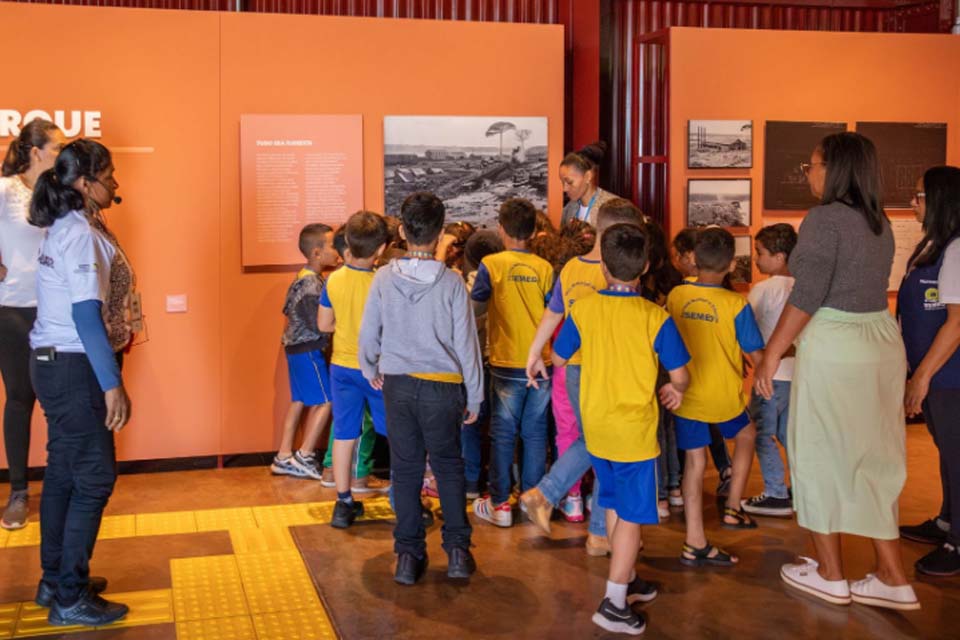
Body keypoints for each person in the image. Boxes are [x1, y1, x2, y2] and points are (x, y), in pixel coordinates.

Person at [755, 132, 919, 610]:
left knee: (817, 452)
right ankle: (892, 576)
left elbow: (807, 295)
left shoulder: (825, 219)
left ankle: (830, 572)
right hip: (881, 342)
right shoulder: (879, 221)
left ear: (834, 168)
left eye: (812, 164)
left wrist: (770, 354)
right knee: (876, 458)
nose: (808, 173)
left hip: (837, 344)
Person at [544, 223, 690, 635]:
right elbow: (680, 374)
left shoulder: (584, 308)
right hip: (634, 435)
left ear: (603, 266)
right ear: (645, 266)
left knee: (610, 502)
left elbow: (558, 357)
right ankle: (612, 603)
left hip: (598, 427)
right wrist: (675, 390)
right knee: (631, 515)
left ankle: (625, 580)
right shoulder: (654, 317)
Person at [27, 139, 131, 626]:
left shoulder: (65, 227)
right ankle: (71, 596)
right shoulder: (79, 234)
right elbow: (86, 313)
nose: (115, 184)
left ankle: (56, 580)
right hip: (75, 365)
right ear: (86, 183)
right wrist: (111, 382)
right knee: (93, 478)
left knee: (66, 475)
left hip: (52, 361)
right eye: (108, 175)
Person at [359, 191, 483, 585]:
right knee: (448, 467)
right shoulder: (451, 283)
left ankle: (409, 557)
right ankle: (458, 552)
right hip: (443, 388)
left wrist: (369, 367)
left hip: (396, 385)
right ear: (440, 232)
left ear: (400, 230)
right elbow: (467, 345)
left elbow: (368, 332)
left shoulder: (382, 278)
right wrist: (475, 393)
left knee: (406, 469)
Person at [521, 198, 643, 555]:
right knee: (604, 443)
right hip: (607, 368)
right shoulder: (618, 270)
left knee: (596, 441)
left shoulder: (573, 267)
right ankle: (556, 500)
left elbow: (552, 313)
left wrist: (534, 352)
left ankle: (593, 528)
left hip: (574, 367)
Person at [666, 227, 764, 568]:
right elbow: (756, 355)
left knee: (694, 464)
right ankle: (734, 507)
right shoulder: (737, 304)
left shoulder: (676, 295)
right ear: (731, 265)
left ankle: (695, 540)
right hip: (723, 397)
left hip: (687, 395)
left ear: (693, 259)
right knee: (747, 435)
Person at [471, 198, 553, 528]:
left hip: (505, 362)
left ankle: (501, 504)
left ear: (501, 229)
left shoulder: (491, 265)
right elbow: (553, 311)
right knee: (535, 435)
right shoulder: (545, 268)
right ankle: (532, 500)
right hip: (541, 362)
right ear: (534, 231)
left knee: (503, 435)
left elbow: (475, 308)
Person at [0, 119, 65, 530]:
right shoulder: (5, 191)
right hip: (13, 310)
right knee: (21, 399)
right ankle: (19, 493)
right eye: (56, 147)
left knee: (59, 400)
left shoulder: (59, 193)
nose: (61, 153)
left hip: (54, 312)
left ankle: (61, 488)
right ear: (36, 151)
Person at [897, 166, 960, 577]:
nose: (913, 202)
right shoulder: (932, 246)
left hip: (950, 377)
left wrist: (920, 378)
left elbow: (956, 324)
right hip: (933, 374)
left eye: (918, 195)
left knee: (958, 456)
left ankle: (958, 544)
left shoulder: (957, 249)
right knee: (946, 453)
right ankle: (946, 521)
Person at [318, 211, 390, 529]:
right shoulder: (383, 283)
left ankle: (343, 502)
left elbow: (324, 324)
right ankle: (406, 498)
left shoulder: (333, 279)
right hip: (376, 370)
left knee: (345, 433)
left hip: (341, 367)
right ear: (382, 249)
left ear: (347, 244)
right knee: (396, 433)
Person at [270, 224, 339, 480]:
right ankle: (305, 455)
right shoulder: (312, 285)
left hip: (295, 349)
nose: (338, 251)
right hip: (308, 350)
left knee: (299, 400)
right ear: (317, 253)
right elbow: (320, 324)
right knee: (326, 400)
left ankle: (283, 455)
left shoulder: (303, 277)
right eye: (333, 245)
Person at [741, 224, 797, 518]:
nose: (755, 260)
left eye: (760, 253)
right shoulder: (803, 286)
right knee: (790, 435)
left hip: (769, 376)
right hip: (795, 376)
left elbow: (744, 325)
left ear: (779, 256)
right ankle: (801, 489)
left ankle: (776, 492)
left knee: (763, 433)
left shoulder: (763, 289)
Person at [460, 230, 503, 497]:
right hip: (502, 359)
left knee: (470, 423)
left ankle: (471, 481)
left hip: (474, 365)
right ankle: (502, 484)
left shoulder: (465, 287)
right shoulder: (505, 279)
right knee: (501, 427)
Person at [559, 142, 620, 227]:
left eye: (569, 182)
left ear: (588, 176)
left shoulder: (613, 208)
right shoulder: (569, 208)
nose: (564, 189)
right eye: (562, 182)